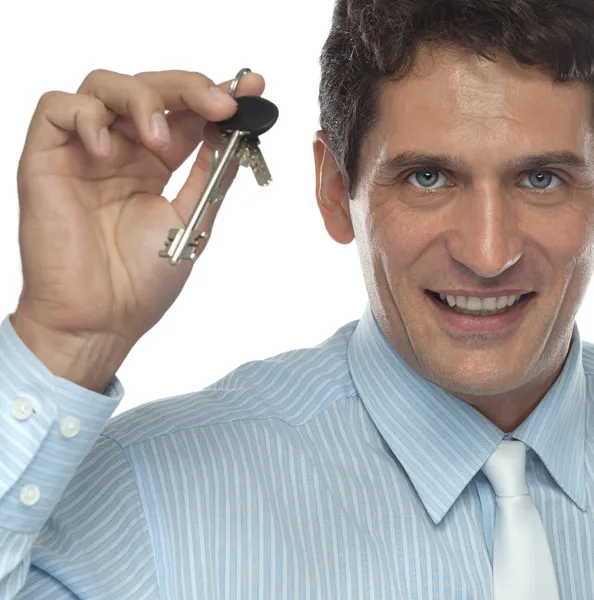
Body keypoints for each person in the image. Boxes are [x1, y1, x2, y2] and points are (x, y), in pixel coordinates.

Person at [2, 0, 594, 598]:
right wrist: (64, 343)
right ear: (336, 190)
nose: (488, 254)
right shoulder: (144, 502)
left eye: (542, 179)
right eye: (427, 178)